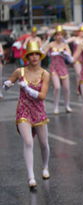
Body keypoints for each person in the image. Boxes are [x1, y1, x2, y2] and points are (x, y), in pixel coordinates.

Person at [1, 41, 51, 190]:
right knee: (28, 142)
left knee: (44, 144)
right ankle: (31, 177)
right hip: (23, 110)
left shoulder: (45, 74)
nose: (34, 57)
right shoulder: (19, 71)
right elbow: (7, 84)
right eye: (31, 54)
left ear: (40, 56)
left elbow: (42, 96)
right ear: (27, 57)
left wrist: (27, 88)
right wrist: (6, 85)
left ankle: (45, 167)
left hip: (38, 110)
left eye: (36, 54)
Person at [44, 25, 73, 114]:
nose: (59, 36)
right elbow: (43, 53)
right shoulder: (51, 44)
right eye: (57, 34)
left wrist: (64, 53)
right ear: (54, 36)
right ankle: (55, 106)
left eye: (61, 34)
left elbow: (70, 57)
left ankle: (67, 105)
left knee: (67, 88)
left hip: (63, 68)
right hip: (54, 68)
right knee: (57, 87)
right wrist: (46, 45)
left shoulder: (65, 45)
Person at [67, 25, 83, 93]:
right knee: (78, 73)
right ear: (78, 32)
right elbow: (65, 42)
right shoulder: (74, 38)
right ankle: (79, 88)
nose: (82, 33)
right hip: (76, 58)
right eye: (81, 31)